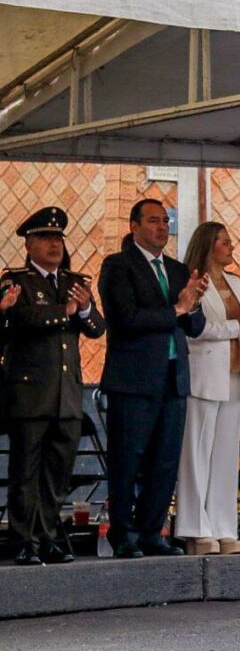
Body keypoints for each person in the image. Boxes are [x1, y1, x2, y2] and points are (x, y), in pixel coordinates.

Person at [99, 199, 208, 559]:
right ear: (134, 226)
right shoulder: (118, 266)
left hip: (173, 378)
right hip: (133, 380)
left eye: (165, 221)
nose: (162, 227)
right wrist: (176, 309)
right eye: (153, 221)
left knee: (165, 459)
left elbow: (196, 325)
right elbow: (125, 318)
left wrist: (191, 305)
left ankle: (151, 530)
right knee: (128, 458)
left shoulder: (178, 270)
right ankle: (123, 532)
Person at [1, 207, 105, 565]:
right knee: (25, 472)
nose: (54, 244)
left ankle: (46, 536)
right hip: (31, 394)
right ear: (29, 244)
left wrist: (85, 309)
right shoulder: (17, 281)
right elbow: (23, 318)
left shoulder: (73, 282)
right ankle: (23, 540)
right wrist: (67, 310)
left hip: (68, 395)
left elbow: (96, 328)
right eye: (46, 238)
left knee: (56, 474)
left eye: (58, 238)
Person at [176, 222, 240, 555]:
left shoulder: (236, 282)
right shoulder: (192, 281)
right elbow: (197, 330)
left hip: (234, 373)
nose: (231, 247)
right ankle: (195, 527)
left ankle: (224, 525)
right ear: (209, 245)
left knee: (226, 455)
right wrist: (238, 322)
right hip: (204, 372)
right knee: (197, 452)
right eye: (225, 242)